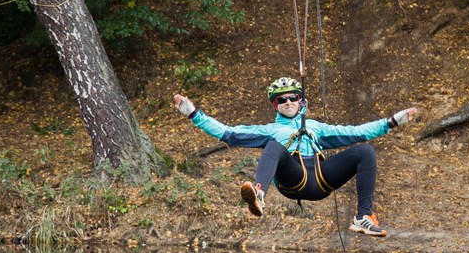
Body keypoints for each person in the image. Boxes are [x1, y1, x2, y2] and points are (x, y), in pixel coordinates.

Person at [173, 76, 418, 237]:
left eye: (293, 98)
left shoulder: (316, 127)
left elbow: (355, 132)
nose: (289, 102)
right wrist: (192, 113)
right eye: (282, 99)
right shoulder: (270, 130)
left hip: (321, 180)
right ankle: (259, 193)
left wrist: (391, 122)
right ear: (275, 105)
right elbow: (228, 133)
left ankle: (363, 216)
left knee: (365, 150)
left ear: (301, 101)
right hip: (293, 180)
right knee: (274, 145)